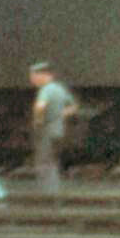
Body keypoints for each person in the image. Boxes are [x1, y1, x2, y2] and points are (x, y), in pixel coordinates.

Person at [28, 61, 78, 195]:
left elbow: (40, 106)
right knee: (52, 162)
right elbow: (73, 107)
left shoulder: (46, 89)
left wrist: (38, 122)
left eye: (33, 76)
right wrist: (59, 115)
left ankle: (46, 194)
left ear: (43, 75)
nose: (32, 80)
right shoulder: (60, 89)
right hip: (58, 131)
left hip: (46, 131)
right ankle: (54, 191)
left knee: (43, 162)